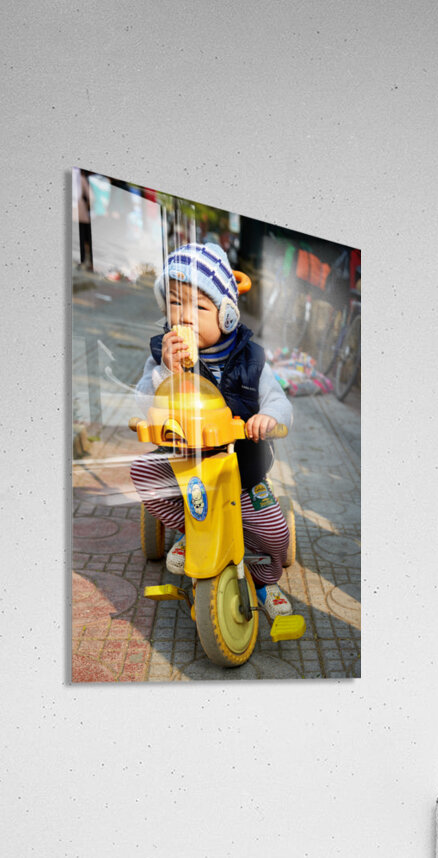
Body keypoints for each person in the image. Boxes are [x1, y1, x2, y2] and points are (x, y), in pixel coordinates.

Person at [130, 242, 295, 620]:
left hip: (242, 470)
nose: (183, 317)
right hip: (186, 464)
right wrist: (167, 373)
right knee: (142, 473)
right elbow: (143, 400)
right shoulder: (163, 356)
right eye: (174, 303)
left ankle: (266, 581)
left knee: (274, 535)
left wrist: (267, 417)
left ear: (226, 316)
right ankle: (192, 530)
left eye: (198, 307)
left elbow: (279, 401)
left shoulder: (251, 360)